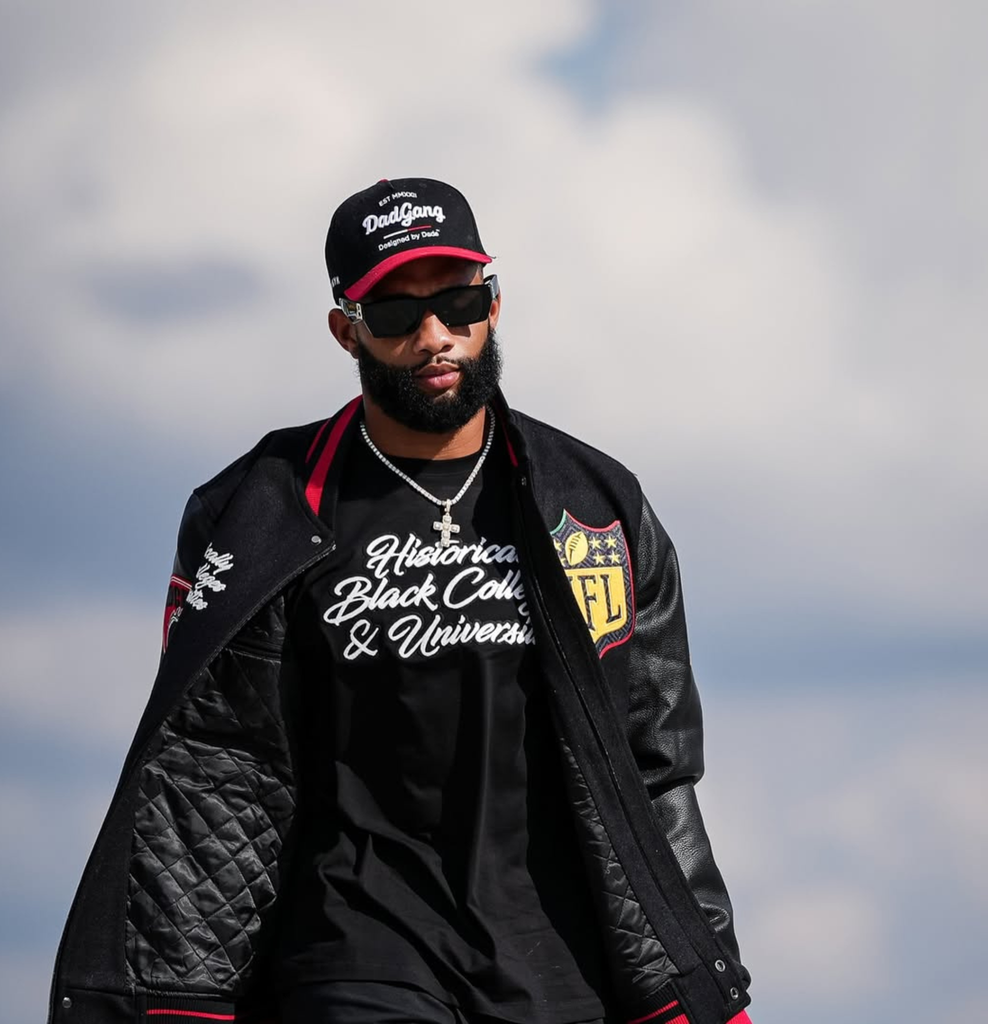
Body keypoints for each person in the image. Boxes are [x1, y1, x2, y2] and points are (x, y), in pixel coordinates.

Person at [49, 178, 753, 1024]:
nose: (433, 338)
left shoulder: (594, 503)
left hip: (559, 965)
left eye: (457, 304)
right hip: (351, 953)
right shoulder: (260, 511)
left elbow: (658, 766)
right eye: (394, 316)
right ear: (346, 329)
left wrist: (701, 975)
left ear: (494, 306)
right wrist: (180, 999)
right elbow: (212, 765)